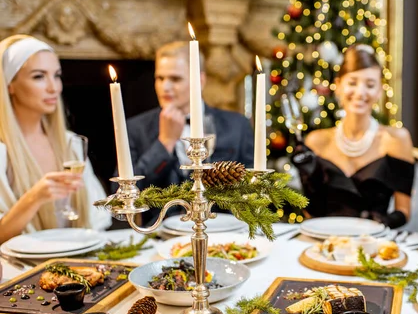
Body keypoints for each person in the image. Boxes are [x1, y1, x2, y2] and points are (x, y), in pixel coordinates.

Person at [125, 41, 254, 223]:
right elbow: (126, 193)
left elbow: (253, 188)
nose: (165, 87)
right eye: (160, 78)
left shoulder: (236, 125)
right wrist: (165, 143)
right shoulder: (136, 128)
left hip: (223, 235)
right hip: (161, 237)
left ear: (200, 81)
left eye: (175, 79)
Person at [0, 35, 111, 243]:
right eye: (39, 76)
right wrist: (34, 198)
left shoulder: (71, 145)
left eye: (57, 75)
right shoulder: (2, 152)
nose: (54, 88)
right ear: (9, 85)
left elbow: (97, 219)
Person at [292, 44, 414, 229]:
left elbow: (403, 211)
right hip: (324, 242)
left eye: (370, 85)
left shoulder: (397, 140)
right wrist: (310, 176)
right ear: (338, 85)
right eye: (352, 83)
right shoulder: (316, 141)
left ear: (380, 90)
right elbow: (310, 212)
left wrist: (382, 222)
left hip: (372, 244)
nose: (360, 92)